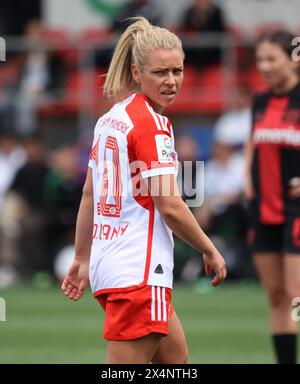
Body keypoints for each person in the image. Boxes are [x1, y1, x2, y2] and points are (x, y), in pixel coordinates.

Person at [62, 17, 226, 364]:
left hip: (112, 266)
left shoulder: (110, 119)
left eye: (177, 71)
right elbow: (169, 205)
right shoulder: (151, 126)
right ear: (137, 73)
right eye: (160, 73)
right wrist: (209, 249)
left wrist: (81, 258)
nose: (171, 81)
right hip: (138, 271)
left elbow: (90, 195)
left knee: (176, 360)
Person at [244, 30, 300, 364]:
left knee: (297, 297)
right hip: (263, 211)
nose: (264, 66)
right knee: (277, 297)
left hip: (296, 211)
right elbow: (253, 144)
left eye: (271, 59)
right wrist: (246, 178)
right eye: (259, 60)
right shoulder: (260, 101)